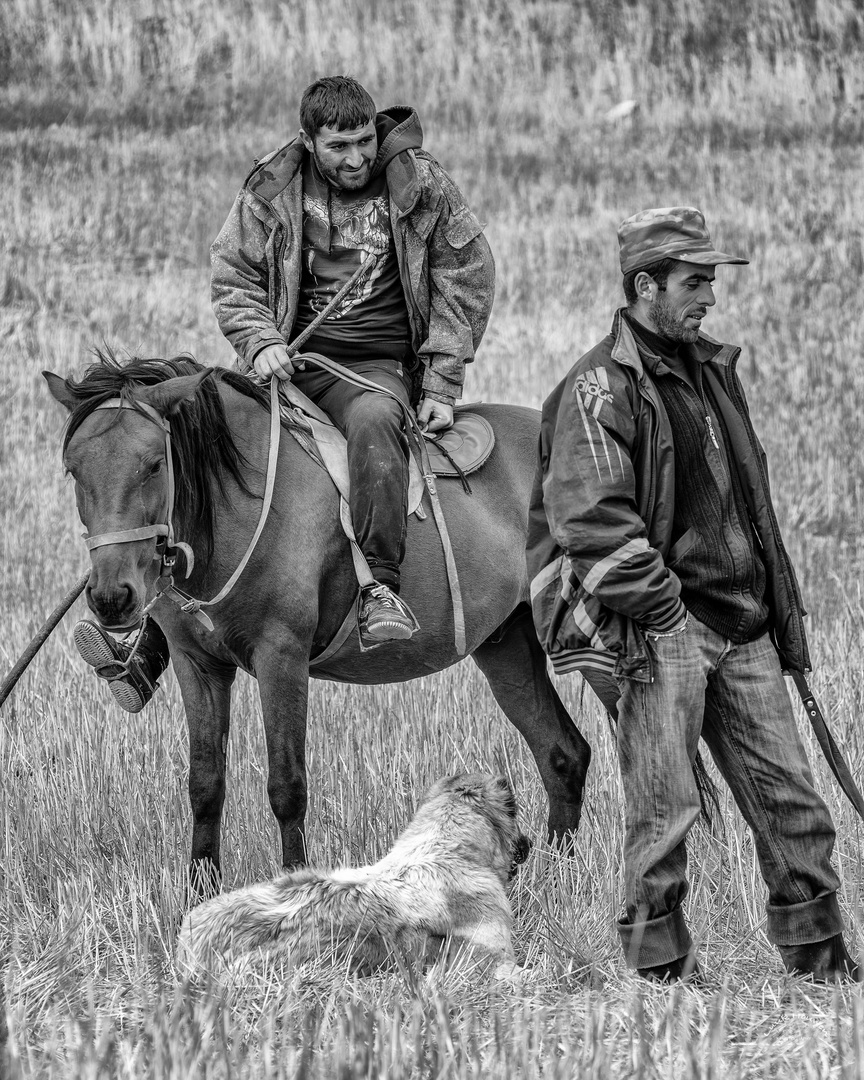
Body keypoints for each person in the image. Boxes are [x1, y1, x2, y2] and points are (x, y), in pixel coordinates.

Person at [74, 75, 494, 712]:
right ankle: (153, 641)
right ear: (309, 141)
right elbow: (233, 271)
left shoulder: (420, 184)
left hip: (373, 371)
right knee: (194, 429)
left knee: (377, 424)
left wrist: (440, 378)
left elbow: (467, 275)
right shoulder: (273, 185)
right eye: (338, 148)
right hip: (289, 362)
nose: (355, 159)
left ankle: (381, 588)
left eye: (363, 143)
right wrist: (260, 338)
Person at [527, 206, 860, 983]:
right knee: (663, 814)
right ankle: (661, 979)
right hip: (665, 627)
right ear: (645, 286)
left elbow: (750, 502)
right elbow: (590, 519)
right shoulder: (597, 386)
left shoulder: (710, 368)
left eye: (711, 279)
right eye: (695, 281)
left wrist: (774, 610)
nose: (709, 295)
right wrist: (665, 611)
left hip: (744, 627)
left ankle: (821, 967)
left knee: (794, 807)